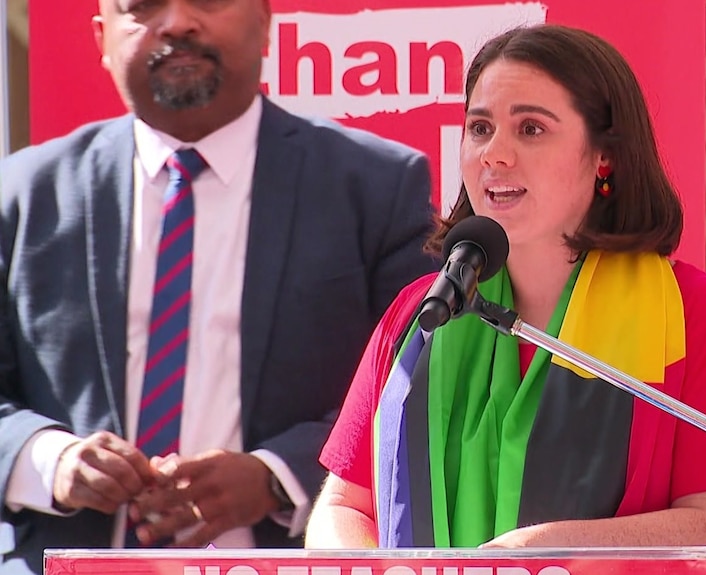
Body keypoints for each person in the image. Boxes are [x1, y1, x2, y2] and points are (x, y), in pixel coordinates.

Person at [305, 23, 706, 567]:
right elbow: (343, 506)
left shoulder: (702, 316)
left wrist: (538, 556)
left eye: (531, 129)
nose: (495, 154)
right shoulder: (422, 313)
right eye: (480, 128)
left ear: (604, 157)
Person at [0, 0, 437, 572]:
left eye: (207, 0)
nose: (178, 22)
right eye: (143, 6)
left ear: (265, 24)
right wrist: (47, 459)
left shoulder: (377, 188)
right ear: (102, 38)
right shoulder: (24, 193)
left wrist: (277, 476)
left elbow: (418, 394)